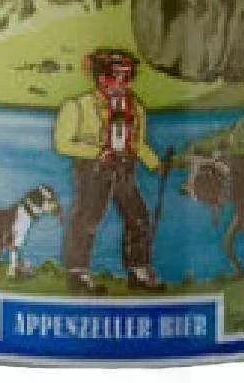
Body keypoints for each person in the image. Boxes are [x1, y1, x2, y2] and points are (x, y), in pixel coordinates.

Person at [54, 49, 166, 294]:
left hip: (125, 169)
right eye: (117, 76)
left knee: (138, 216)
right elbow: (62, 143)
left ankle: (138, 270)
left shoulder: (135, 108)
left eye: (128, 77)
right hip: (93, 170)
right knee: (87, 219)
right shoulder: (78, 106)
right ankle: (78, 273)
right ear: (101, 78)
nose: (124, 83)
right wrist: (97, 152)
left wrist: (155, 163)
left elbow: (137, 143)